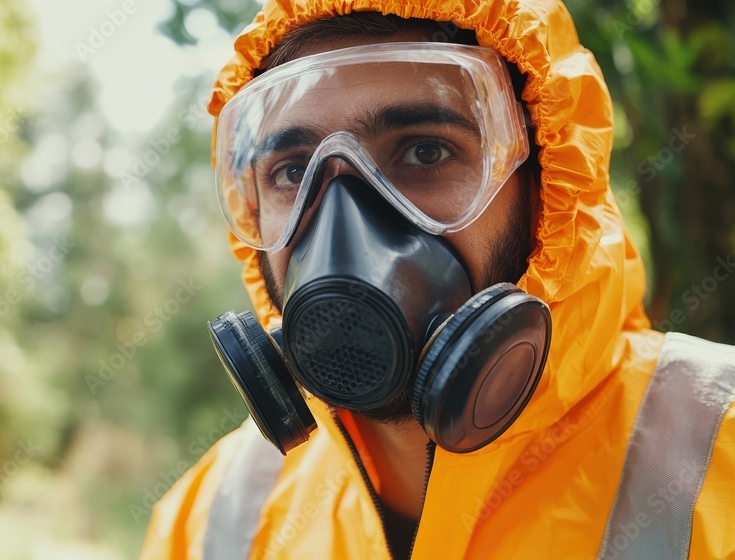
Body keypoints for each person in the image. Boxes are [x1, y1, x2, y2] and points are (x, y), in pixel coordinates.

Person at [140, 1, 735, 558]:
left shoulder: (719, 455)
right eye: (293, 171)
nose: (343, 226)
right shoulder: (211, 519)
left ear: (547, 187)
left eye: (425, 152)